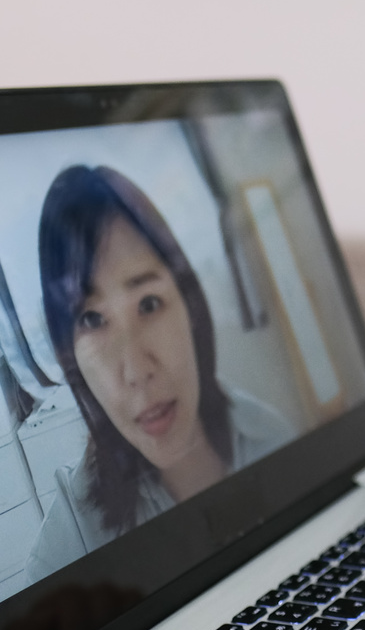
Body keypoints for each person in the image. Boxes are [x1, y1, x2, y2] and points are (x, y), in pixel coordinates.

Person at [25, 165, 294, 584]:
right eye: (93, 320)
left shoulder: (269, 434)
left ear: (190, 307)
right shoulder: (76, 536)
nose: (136, 371)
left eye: (148, 304)